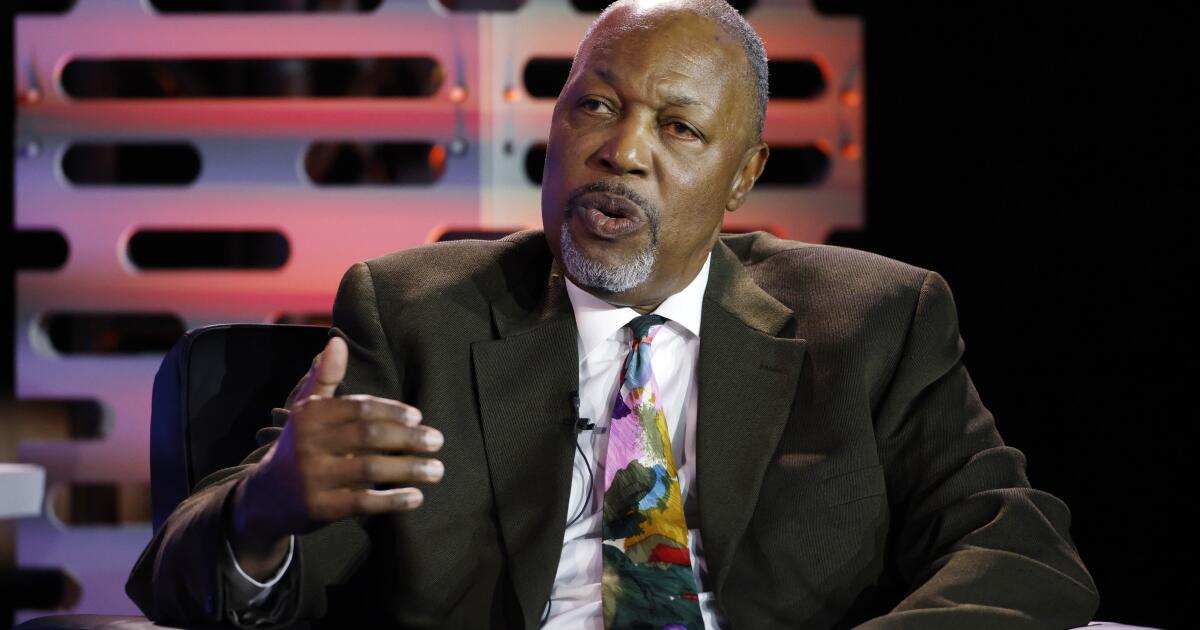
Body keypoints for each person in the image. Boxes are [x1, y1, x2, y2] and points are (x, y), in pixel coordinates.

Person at [127, 0, 1100, 627]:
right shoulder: (417, 313)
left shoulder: (874, 322)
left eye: (677, 126)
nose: (622, 150)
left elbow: (1020, 549)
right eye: (595, 106)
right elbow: (180, 580)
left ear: (743, 176)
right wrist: (263, 512)